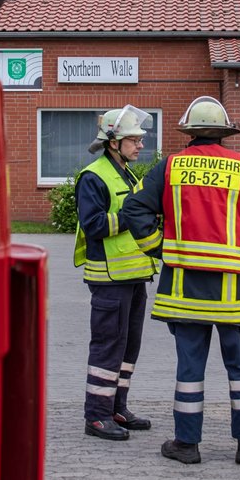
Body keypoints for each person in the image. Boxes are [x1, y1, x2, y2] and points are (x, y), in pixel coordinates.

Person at [123, 96, 240, 465]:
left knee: (189, 369)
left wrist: (158, 248)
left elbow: (134, 208)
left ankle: (186, 444)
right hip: (233, 291)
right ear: (225, 133)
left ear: (189, 132)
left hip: (184, 290)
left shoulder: (169, 167)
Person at [75, 105, 159, 441]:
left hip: (133, 277)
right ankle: (96, 416)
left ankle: (117, 407)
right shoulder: (93, 176)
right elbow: (92, 224)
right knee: (108, 346)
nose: (140, 145)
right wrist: (132, 216)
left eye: (139, 139)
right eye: (133, 140)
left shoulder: (126, 173)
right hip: (109, 279)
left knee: (128, 347)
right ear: (113, 142)